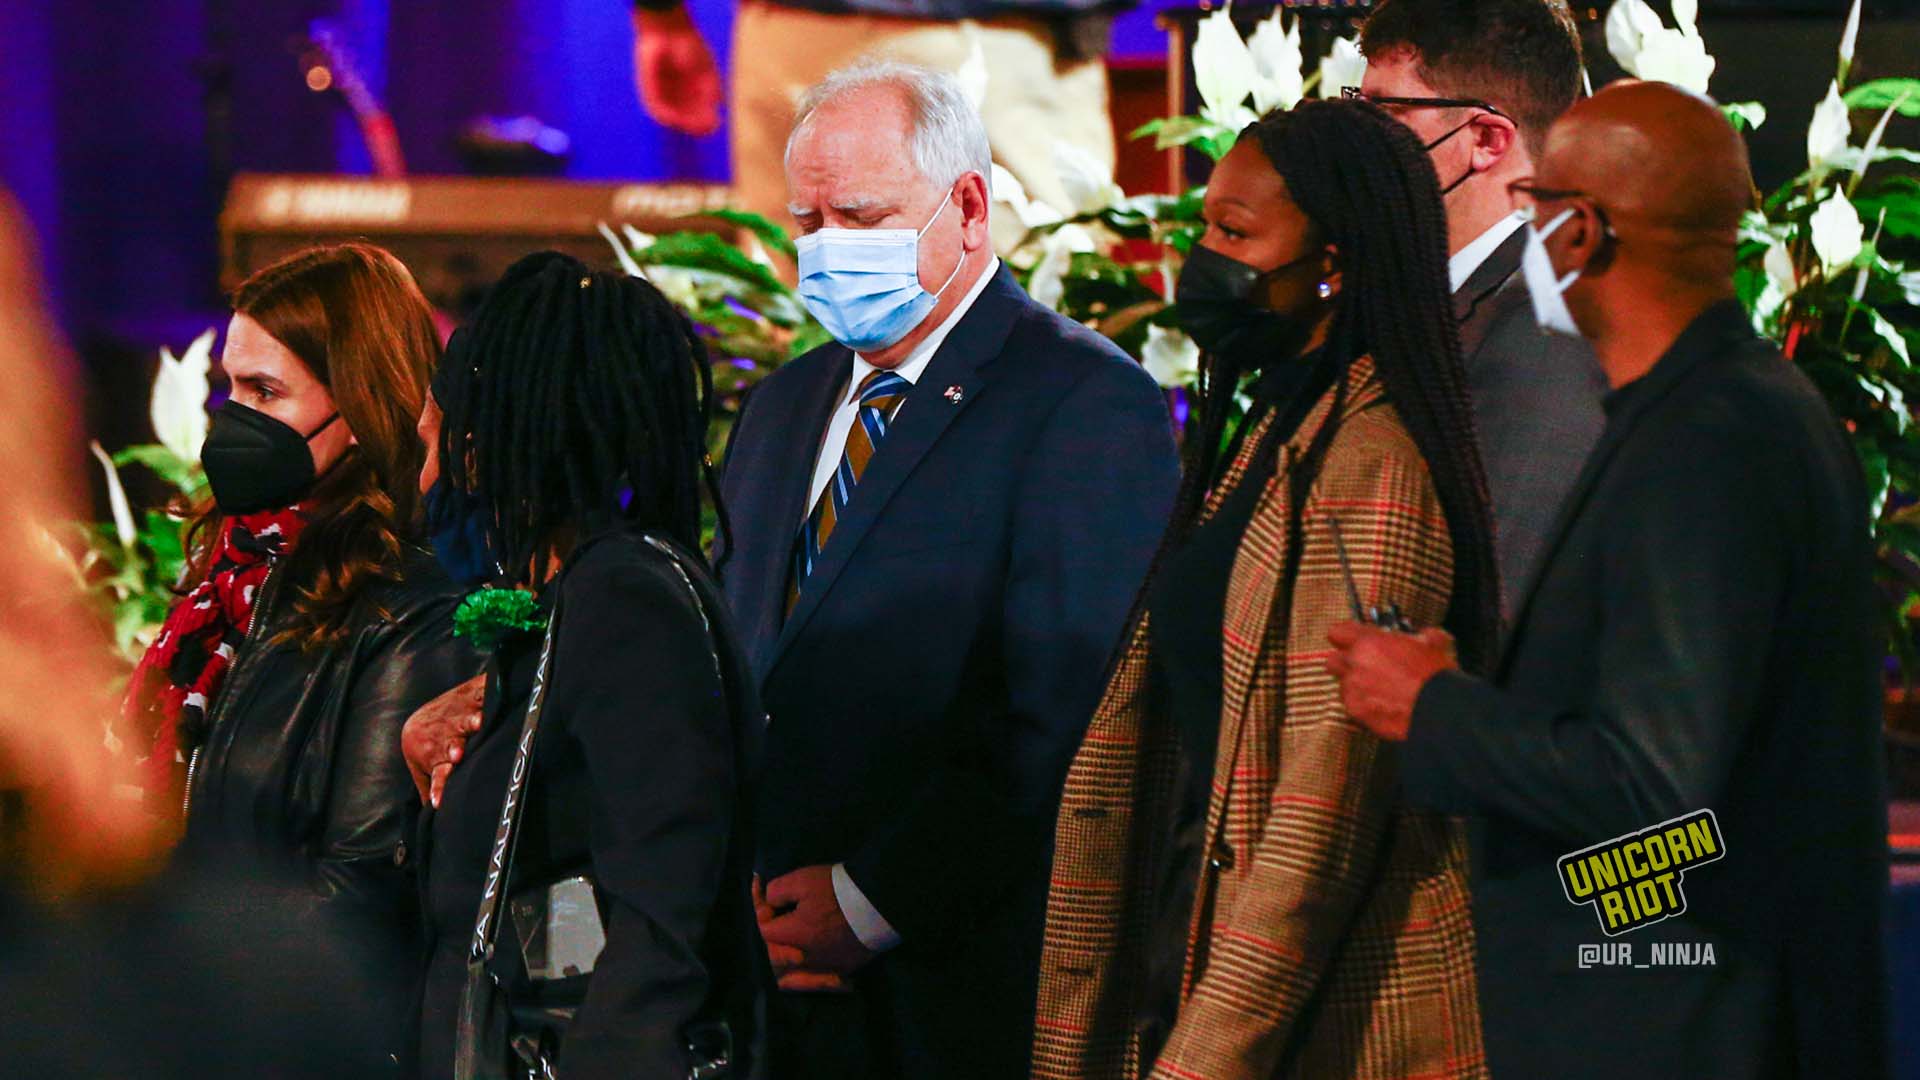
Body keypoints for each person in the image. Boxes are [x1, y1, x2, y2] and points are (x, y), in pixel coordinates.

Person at [1327, 81, 1891, 1080]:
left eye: (1533, 208)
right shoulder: (1728, 409)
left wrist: (1434, 708)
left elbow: (1654, 786)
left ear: (1579, 232)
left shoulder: (1709, 440)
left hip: (1676, 1021)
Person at [721, 62, 1174, 1079]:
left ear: (968, 207)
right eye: (809, 220)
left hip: (952, 995)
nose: (827, 247)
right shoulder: (782, 408)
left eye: (862, 214)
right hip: (767, 989)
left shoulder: (1085, 404)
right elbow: (737, 652)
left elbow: (1063, 716)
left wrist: (868, 901)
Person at [1032, 99, 1498, 1080]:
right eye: (1204, 227)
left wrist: (1200, 1062)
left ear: (1333, 259)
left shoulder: (1371, 462)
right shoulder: (1279, 427)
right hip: (1201, 958)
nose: (1204, 260)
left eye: (1236, 235)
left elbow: (1316, 832)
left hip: (1318, 1030)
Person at [120, 243, 480, 1071]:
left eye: (265, 392)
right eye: (229, 389)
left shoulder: (409, 603)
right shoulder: (237, 574)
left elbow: (361, 894)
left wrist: (146, 951)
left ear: (359, 403)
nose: (232, 418)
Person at [414, 252, 768, 1079]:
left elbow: (658, 916)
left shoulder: (624, 599)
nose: (425, 477)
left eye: (432, 443)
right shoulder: (584, 593)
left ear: (480, 448)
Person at [1356, 0, 1606, 611]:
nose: (1358, 142)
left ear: (1487, 140)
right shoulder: (1442, 298)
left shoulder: (1544, 333)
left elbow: (1494, 606)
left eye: (1386, 113)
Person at [628, 0, 1121, 252]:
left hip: (790, 37)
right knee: (1028, 355)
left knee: (798, 352)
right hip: (983, 39)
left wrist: (661, 15)